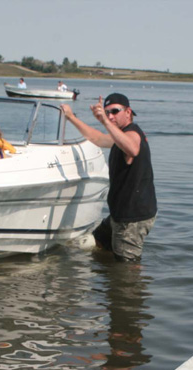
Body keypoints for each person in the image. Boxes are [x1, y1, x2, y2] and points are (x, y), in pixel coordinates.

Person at [62, 93, 157, 261]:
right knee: (99, 242)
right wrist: (70, 117)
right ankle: (107, 276)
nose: (111, 116)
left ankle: (128, 285)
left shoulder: (133, 133)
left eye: (115, 111)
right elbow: (96, 138)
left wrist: (105, 121)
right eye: (107, 113)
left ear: (128, 112)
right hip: (119, 215)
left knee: (126, 269)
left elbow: (133, 149)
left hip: (131, 218)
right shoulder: (119, 136)